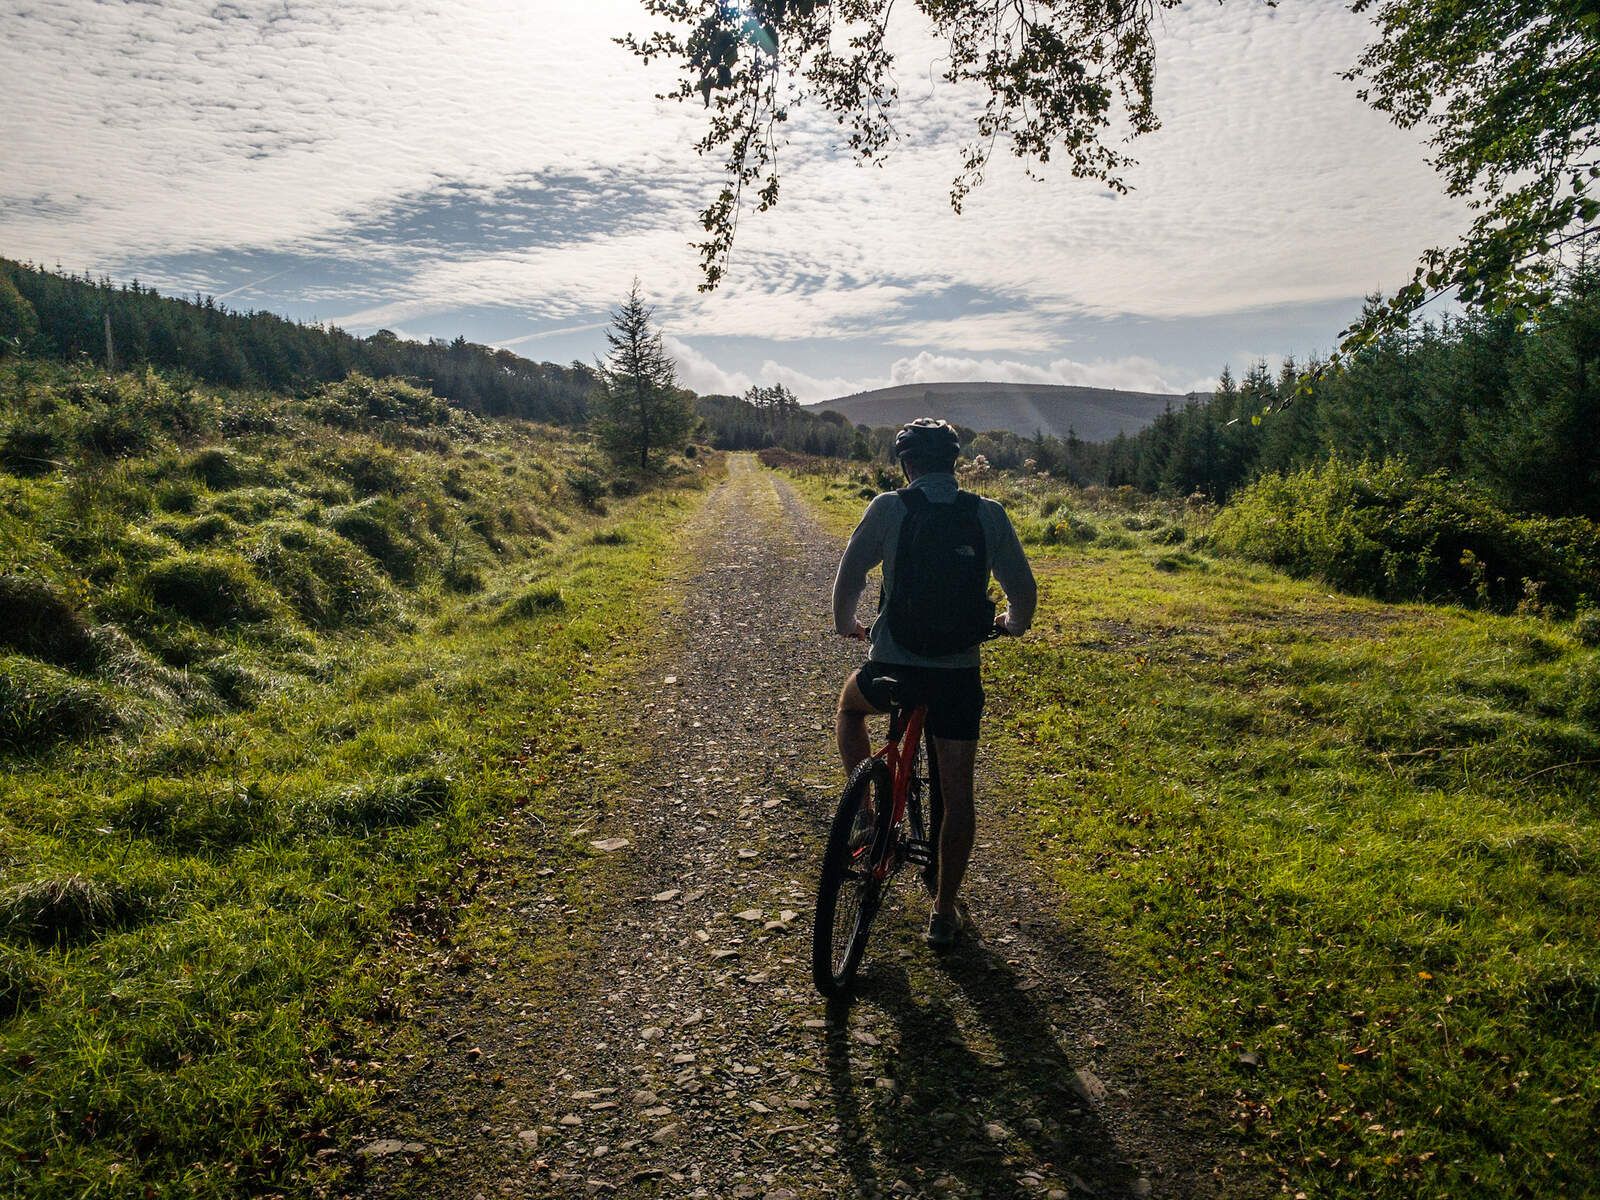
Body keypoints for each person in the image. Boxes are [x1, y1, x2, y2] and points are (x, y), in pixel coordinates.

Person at [831, 418, 1037, 949]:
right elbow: (1023, 593)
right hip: (957, 677)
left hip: (895, 666)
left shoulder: (889, 507)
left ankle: (870, 821)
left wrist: (847, 625)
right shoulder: (988, 514)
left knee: (851, 709)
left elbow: (850, 575)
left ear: (907, 465)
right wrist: (1009, 626)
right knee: (958, 793)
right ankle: (944, 914)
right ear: (954, 463)